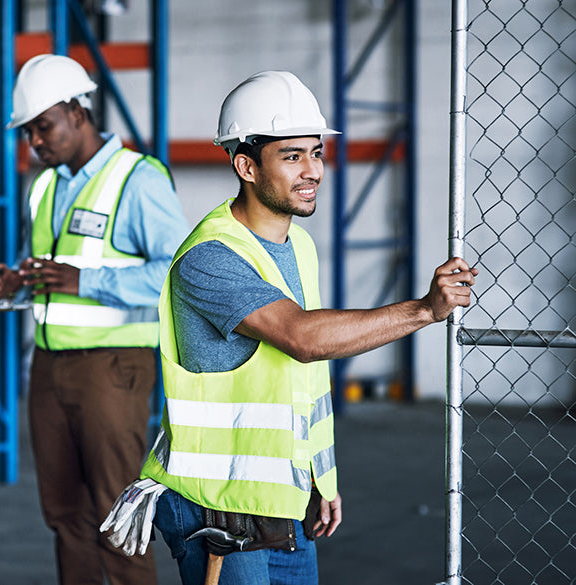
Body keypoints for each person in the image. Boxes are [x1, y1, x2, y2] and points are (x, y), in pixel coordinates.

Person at [106, 70, 477, 585]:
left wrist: (320, 478)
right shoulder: (209, 257)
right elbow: (303, 339)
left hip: (285, 505)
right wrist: (423, 310)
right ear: (246, 166)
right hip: (220, 516)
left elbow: (302, 384)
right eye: (291, 156)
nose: (313, 171)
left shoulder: (298, 246)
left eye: (317, 153)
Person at [0, 54, 189, 585]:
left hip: (112, 369)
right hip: (50, 369)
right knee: (64, 519)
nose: (35, 141)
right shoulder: (46, 187)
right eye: (29, 131)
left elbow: (174, 274)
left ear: (78, 112)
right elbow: (54, 277)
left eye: (43, 126)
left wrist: (85, 282)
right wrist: (19, 286)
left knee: (115, 519)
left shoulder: (138, 180)